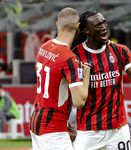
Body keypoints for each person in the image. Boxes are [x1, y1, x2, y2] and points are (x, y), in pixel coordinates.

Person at [72, 10, 131, 150]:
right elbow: (67, 93)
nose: (104, 27)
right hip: (89, 129)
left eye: (104, 23)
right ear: (87, 31)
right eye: (97, 25)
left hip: (118, 129)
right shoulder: (75, 56)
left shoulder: (120, 50)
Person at [29, 7, 90, 150]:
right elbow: (79, 101)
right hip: (52, 129)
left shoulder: (44, 47)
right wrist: (85, 76)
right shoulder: (69, 58)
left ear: (57, 25)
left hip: (37, 122)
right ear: (78, 26)